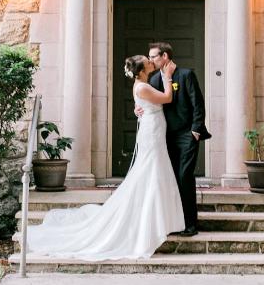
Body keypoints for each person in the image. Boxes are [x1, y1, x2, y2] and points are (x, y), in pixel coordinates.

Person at [26, 55, 184, 260]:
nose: (150, 61)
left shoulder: (143, 84)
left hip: (153, 128)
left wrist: (140, 108)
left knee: (153, 170)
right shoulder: (143, 86)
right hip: (151, 131)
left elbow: (148, 103)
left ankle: (158, 218)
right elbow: (167, 98)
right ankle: (148, 221)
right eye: (147, 61)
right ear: (141, 70)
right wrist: (168, 76)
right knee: (150, 170)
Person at [144, 42, 211, 237]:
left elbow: (197, 103)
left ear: (165, 56)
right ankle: (173, 221)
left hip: (186, 135)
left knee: (184, 177)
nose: (150, 60)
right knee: (169, 179)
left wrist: (196, 130)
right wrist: (139, 109)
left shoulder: (186, 75)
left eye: (153, 57)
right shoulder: (155, 79)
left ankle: (190, 223)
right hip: (164, 136)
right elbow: (150, 103)